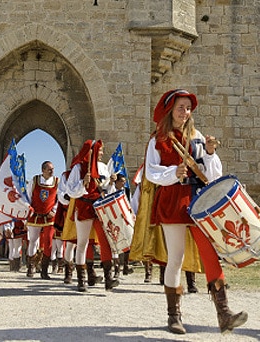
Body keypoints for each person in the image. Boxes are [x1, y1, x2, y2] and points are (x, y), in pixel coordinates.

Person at [141, 89, 248, 334]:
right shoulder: (158, 139)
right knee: (176, 257)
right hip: (172, 200)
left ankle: (224, 314)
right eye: (181, 107)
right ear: (170, 110)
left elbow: (212, 176)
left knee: (210, 253)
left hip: (198, 201)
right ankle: (174, 316)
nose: (185, 112)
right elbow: (151, 171)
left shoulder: (197, 137)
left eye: (188, 108)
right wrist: (172, 173)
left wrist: (210, 153)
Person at [66, 139, 119, 292]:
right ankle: (81, 280)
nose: (102, 153)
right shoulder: (78, 168)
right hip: (84, 206)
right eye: (100, 150)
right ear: (92, 151)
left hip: (100, 207)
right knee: (82, 243)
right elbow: (71, 191)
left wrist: (111, 183)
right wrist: (83, 183)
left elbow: (105, 191)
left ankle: (108, 279)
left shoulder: (102, 168)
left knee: (106, 241)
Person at [26, 161, 59, 279]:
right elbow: (28, 196)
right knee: (33, 240)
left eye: (53, 169)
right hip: (35, 215)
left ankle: (44, 270)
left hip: (50, 216)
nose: (52, 171)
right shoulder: (34, 181)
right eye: (49, 169)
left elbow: (58, 199)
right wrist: (29, 209)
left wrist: (54, 210)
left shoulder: (57, 182)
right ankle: (31, 266)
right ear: (43, 170)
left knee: (49, 242)